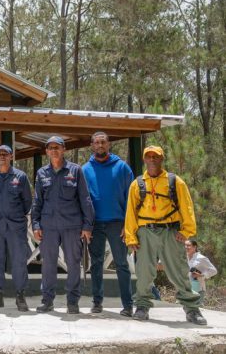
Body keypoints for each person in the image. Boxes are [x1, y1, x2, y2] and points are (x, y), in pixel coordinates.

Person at [125, 146, 205, 324]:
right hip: (145, 232)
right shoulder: (137, 184)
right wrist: (131, 237)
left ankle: (192, 309)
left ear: (162, 159)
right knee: (144, 272)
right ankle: (142, 306)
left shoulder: (175, 181)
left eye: (156, 157)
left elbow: (187, 207)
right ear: (144, 159)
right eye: (149, 156)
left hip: (171, 232)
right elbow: (130, 211)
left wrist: (186, 232)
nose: (152, 160)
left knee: (179, 271)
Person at [32, 136, 94, 314]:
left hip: (71, 226)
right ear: (46, 151)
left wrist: (87, 226)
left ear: (63, 149)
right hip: (48, 227)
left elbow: (85, 199)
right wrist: (35, 225)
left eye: (57, 147)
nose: (53, 150)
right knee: (48, 264)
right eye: (50, 147)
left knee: (73, 264)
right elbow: (37, 201)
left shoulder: (75, 171)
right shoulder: (42, 173)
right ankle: (47, 300)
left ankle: (72, 301)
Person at [81, 131, 134, 317]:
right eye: (97, 142)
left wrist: (127, 225)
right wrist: (85, 225)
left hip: (117, 224)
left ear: (109, 144)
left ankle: (128, 305)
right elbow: (81, 199)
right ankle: (97, 302)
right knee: (96, 264)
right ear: (92, 145)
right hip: (94, 225)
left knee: (121, 264)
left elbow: (132, 198)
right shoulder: (85, 169)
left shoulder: (122, 168)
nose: (100, 145)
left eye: (103, 142)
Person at [0, 144, 33, 311]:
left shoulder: (21, 176)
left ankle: (20, 296)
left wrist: (16, 216)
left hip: (16, 226)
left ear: (11, 157)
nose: (2, 156)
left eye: (6, 154)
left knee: (19, 261)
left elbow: (27, 202)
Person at [186, 239, 217, 304]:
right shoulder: (184, 258)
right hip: (185, 289)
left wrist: (201, 275)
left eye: (188, 245)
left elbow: (214, 270)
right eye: (185, 245)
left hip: (198, 288)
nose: (186, 247)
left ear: (195, 247)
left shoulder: (201, 258)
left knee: (196, 310)